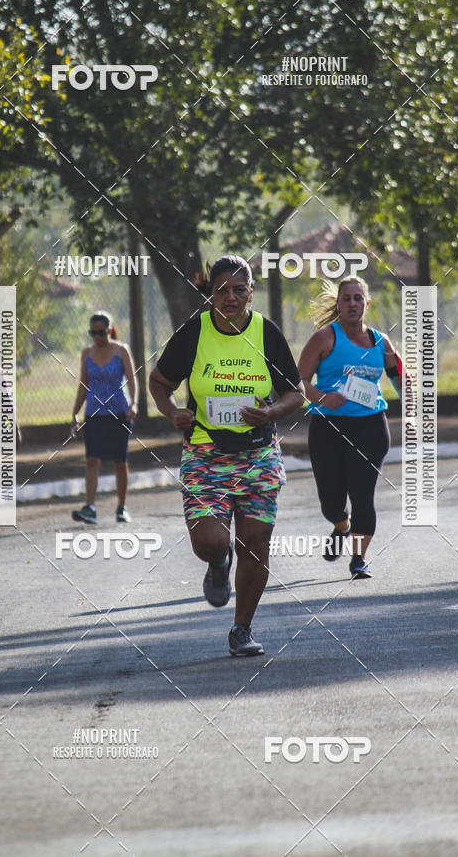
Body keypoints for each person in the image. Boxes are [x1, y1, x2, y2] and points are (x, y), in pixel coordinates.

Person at [149, 255, 305, 657]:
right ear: (210, 294)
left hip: (258, 455)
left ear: (251, 293)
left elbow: (296, 393)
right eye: (221, 290)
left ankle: (242, 629)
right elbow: (159, 382)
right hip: (205, 453)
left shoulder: (266, 333)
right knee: (209, 541)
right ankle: (218, 563)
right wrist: (173, 412)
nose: (230, 297)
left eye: (239, 289)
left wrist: (271, 412)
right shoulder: (194, 332)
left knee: (255, 543)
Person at [297, 276, 405, 579]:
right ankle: (341, 525)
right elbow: (298, 381)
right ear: (339, 304)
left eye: (358, 298)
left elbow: (399, 377)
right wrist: (323, 398)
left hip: (371, 427)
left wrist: (412, 407)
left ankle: (359, 558)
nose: (353, 303)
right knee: (331, 501)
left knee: (362, 494)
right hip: (328, 428)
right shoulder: (324, 338)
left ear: (367, 303)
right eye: (347, 299)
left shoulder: (381, 342)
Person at [70, 311, 138, 524]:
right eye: (93, 333)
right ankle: (90, 508)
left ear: (109, 330)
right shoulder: (86, 353)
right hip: (94, 414)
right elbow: (83, 385)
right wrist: (75, 412)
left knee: (120, 461)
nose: (97, 337)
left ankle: (122, 507)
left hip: (119, 413)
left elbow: (132, 381)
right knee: (92, 459)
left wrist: (134, 404)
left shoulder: (121, 350)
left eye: (101, 332)